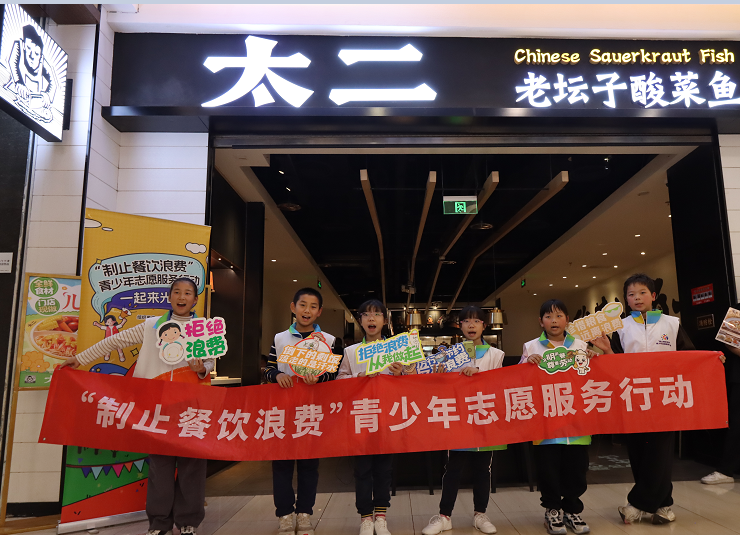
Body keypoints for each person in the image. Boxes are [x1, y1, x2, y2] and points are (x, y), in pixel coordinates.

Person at [59, 278, 213, 535]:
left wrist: (201, 368)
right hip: (156, 407)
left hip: (191, 408)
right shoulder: (151, 326)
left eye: (188, 293)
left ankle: (188, 522)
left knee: (192, 467)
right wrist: (79, 358)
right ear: (169, 297)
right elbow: (113, 341)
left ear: (195, 300)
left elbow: (210, 362)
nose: (182, 297)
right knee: (160, 467)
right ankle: (159, 523)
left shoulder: (204, 329)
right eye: (177, 292)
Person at [591, 273, 696, 524]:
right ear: (626, 300)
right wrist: (607, 350)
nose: (637, 298)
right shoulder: (621, 327)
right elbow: (614, 366)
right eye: (631, 294)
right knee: (638, 452)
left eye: (642, 293)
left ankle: (637, 504)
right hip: (633, 397)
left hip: (665, 397)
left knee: (660, 451)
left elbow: (690, 356)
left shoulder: (672, 324)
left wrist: (713, 359)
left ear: (653, 296)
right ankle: (663, 505)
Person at [422, 306, 504, 535]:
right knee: (453, 468)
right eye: (466, 321)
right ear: (460, 326)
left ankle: (480, 514)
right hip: (458, 417)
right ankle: (444, 516)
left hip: (485, 417)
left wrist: (479, 376)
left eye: (476, 321)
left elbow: (500, 386)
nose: (471, 325)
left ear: (484, 326)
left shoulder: (496, 355)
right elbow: (441, 387)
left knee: (483, 468)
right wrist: (440, 375)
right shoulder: (450, 354)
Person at [264, 288, 339, 535]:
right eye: (303, 305)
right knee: (281, 465)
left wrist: (319, 378)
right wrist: (278, 375)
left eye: (313, 306)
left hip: (312, 411)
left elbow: (334, 375)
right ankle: (285, 515)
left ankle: (305, 513)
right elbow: (268, 369)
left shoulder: (328, 341)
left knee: (309, 465)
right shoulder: (280, 338)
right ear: (293, 307)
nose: (307, 310)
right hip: (283, 411)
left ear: (319, 312)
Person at [520, 300, 592, 535]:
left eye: (559, 316)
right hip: (546, 421)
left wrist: (592, 358)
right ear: (541, 322)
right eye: (548, 317)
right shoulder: (531, 346)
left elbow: (589, 377)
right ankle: (552, 510)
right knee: (548, 469)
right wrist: (526, 364)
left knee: (577, 469)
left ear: (567, 320)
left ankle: (572, 510)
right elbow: (518, 380)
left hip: (576, 420)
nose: (554, 321)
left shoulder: (580, 345)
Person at [337, 299, 405, 535]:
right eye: (366, 314)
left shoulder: (396, 349)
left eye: (377, 314)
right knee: (362, 469)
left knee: (384, 470)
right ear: (360, 320)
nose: (371, 318)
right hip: (361, 417)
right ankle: (365, 517)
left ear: (385, 320)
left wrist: (401, 374)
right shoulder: (351, 351)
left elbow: (412, 383)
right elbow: (340, 380)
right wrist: (358, 377)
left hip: (387, 417)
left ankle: (381, 516)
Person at [701, 308, 740, 484]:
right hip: (739, 378)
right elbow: (728, 341)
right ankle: (726, 470)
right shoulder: (737, 310)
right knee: (737, 425)